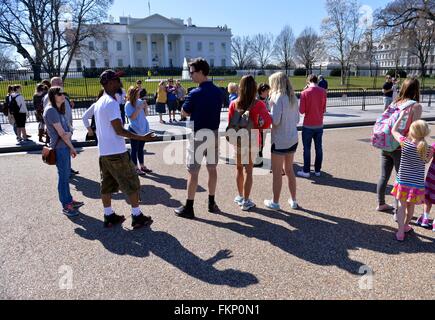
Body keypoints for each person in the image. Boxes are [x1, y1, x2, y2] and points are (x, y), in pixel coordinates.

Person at [93, 70, 157, 229]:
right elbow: (119, 130)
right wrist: (143, 138)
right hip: (116, 152)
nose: (119, 81)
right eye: (116, 79)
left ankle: (108, 215)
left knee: (107, 185)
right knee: (132, 183)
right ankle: (137, 216)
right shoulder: (111, 103)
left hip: (104, 153)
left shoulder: (100, 102)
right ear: (108, 83)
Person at [174, 58, 223, 219]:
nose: (191, 75)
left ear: (201, 72)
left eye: (192, 72)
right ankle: (211, 202)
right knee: (212, 169)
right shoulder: (218, 92)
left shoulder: (194, 93)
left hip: (198, 135)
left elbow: (185, 112)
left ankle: (189, 206)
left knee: (193, 172)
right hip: (214, 133)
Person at [376, 78, 423, 212]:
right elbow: (414, 131)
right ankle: (399, 211)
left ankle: (381, 203)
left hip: (387, 143)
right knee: (400, 179)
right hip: (400, 146)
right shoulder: (416, 106)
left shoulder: (395, 102)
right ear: (416, 89)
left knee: (384, 176)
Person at [229, 75, 272, 211]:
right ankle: (246, 201)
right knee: (249, 171)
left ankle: (240, 196)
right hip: (253, 138)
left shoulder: (234, 103)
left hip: (239, 139)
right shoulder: (258, 104)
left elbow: (231, 123)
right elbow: (267, 123)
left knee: (239, 168)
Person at [43, 87, 84, 217]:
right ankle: (66, 205)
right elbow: (62, 133)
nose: (63, 96)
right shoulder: (51, 111)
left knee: (65, 176)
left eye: (63, 93)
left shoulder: (57, 110)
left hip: (63, 147)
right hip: (60, 148)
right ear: (53, 96)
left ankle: (69, 200)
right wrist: (72, 147)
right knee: (63, 177)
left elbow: (68, 130)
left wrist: (69, 134)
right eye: (59, 94)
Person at [391, 119, 432, 241]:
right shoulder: (428, 148)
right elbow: (426, 161)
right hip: (416, 184)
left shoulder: (405, 143)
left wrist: (401, 116)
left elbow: (393, 130)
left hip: (403, 181)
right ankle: (405, 226)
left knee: (401, 206)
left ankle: (400, 232)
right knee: (411, 207)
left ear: (412, 131)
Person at [264, 72, 300, 211]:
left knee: (277, 172)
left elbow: (276, 120)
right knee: (289, 170)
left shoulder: (277, 98)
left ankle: (275, 202)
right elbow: (297, 120)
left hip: (279, 140)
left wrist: (267, 113)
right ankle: (294, 199)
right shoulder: (293, 97)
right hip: (292, 138)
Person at [43, 77, 79, 176]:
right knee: (63, 152)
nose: (60, 83)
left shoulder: (61, 95)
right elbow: (51, 115)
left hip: (65, 127)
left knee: (66, 151)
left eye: (61, 82)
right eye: (57, 82)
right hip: (59, 131)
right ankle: (66, 170)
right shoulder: (49, 97)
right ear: (52, 84)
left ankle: (68, 168)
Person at [297, 75, 327, 178]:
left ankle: (306, 170)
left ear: (308, 81)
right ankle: (317, 170)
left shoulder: (305, 92)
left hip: (308, 124)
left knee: (307, 148)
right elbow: (323, 109)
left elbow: (301, 110)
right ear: (317, 81)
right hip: (319, 124)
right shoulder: (323, 92)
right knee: (319, 148)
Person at [125, 86, 153, 176]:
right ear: (133, 94)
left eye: (139, 93)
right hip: (134, 129)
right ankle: (135, 168)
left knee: (141, 149)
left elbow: (146, 115)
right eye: (137, 93)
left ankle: (142, 166)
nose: (139, 95)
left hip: (143, 129)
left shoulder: (140, 101)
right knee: (134, 149)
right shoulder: (128, 104)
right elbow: (132, 117)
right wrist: (139, 108)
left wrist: (145, 107)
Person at [418, 148, 435, 232]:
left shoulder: (434, 146)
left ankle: (425, 218)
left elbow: (426, 160)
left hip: (433, 176)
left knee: (427, 198)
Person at [255, 83, 271, 168]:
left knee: (262, 143)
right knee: (258, 143)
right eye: (267, 91)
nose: (268, 93)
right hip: (257, 125)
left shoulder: (266, 99)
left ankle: (259, 159)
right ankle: (258, 160)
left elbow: (268, 110)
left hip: (264, 125)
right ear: (262, 91)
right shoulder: (256, 100)